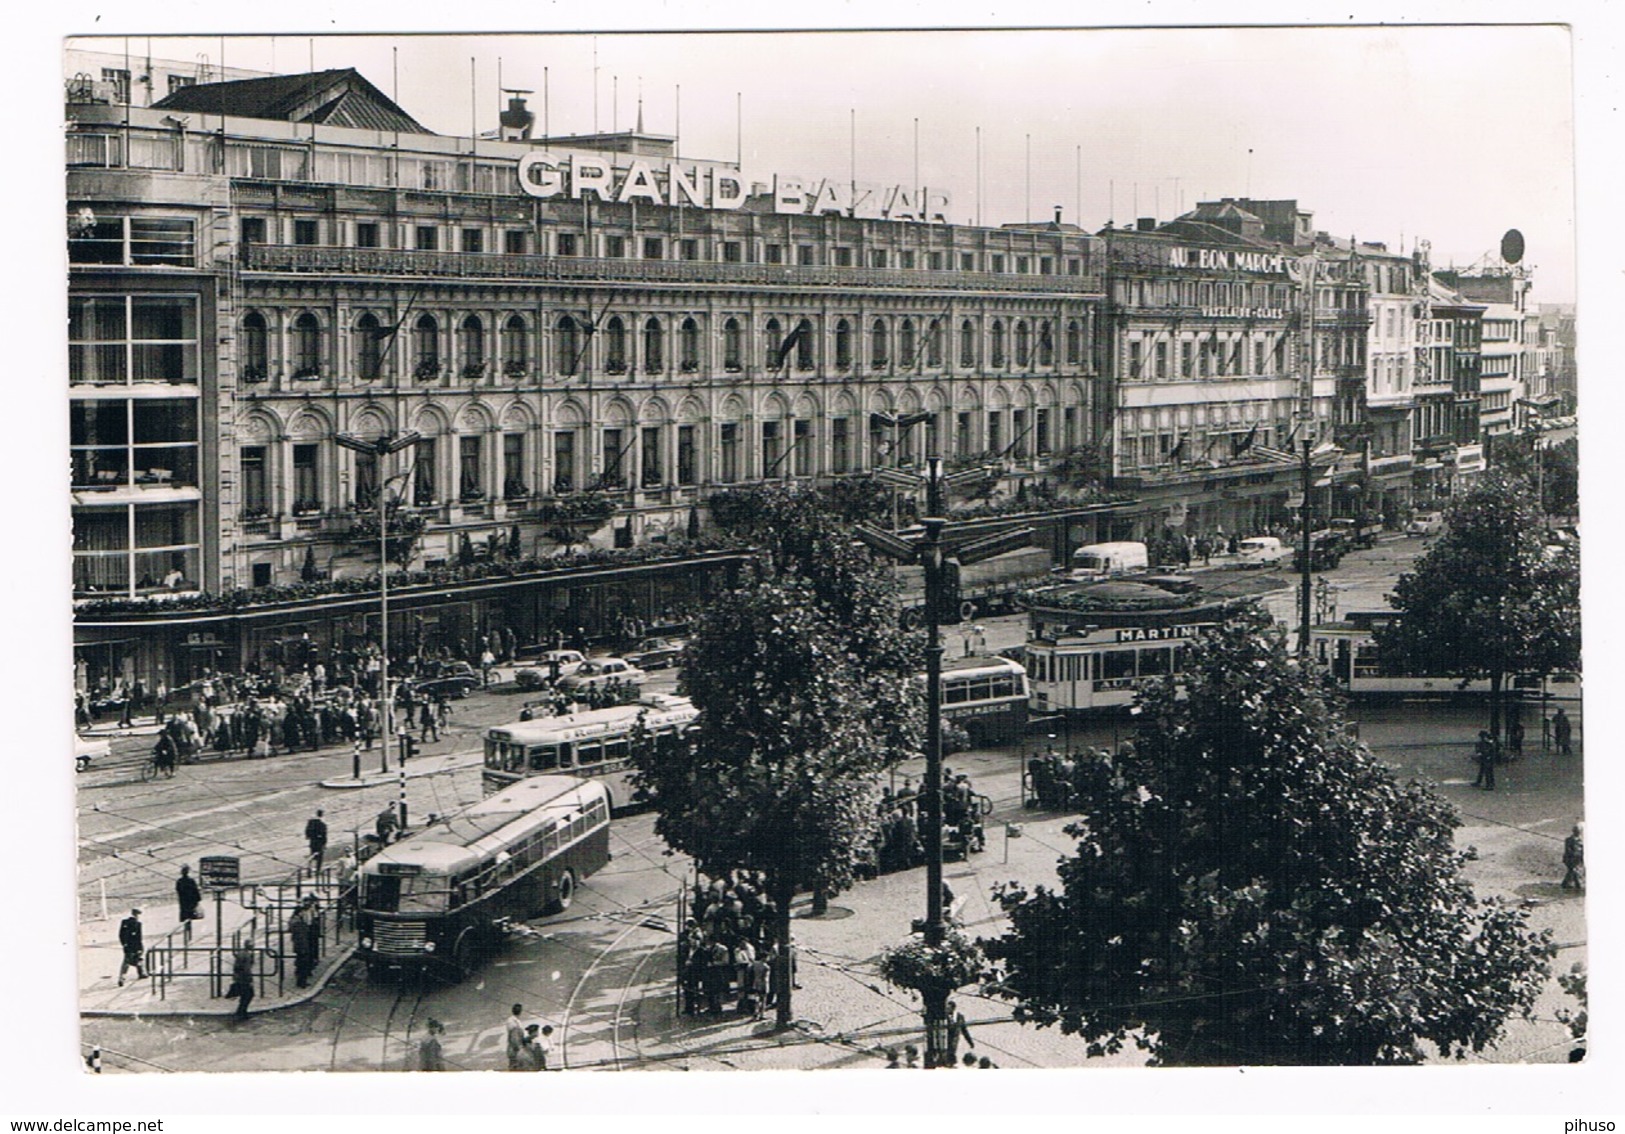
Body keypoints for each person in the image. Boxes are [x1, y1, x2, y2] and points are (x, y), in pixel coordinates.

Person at [289, 895, 320, 988]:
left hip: (305, 940)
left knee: (305, 959)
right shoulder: (298, 923)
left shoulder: (300, 921)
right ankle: (301, 980)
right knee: (303, 961)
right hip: (302, 944)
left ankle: (305, 974)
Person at [116, 908, 145, 986]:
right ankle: (141, 973)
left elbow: (120, 934)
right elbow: (139, 937)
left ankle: (122, 977)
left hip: (127, 945)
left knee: (126, 962)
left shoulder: (124, 922)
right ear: (137, 915)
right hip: (135, 945)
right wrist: (140, 947)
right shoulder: (138, 924)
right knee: (138, 959)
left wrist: (124, 944)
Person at [945, 998, 975, 1066]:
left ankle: (951, 1064)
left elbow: (964, 1030)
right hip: (945, 1039)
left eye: (948, 1008)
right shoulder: (944, 1017)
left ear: (953, 1008)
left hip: (954, 1039)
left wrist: (970, 1042)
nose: (947, 1010)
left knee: (951, 1052)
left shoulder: (960, 1017)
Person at [229, 946, 255, 1019]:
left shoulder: (241, 953)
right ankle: (241, 1012)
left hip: (239, 977)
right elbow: (247, 969)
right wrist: (250, 980)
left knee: (244, 995)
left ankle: (241, 1012)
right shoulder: (247, 956)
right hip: (244, 978)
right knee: (249, 994)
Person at [304, 809, 329, 873]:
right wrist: (325, 843)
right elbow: (324, 834)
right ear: (322, 815)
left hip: (312, 841)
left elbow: (307, 830)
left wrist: (308, 836)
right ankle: (318, 870)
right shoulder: (322, 823)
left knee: (312, 855)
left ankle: (309, 869)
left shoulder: (311, 822)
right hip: (319, 842)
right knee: (320, 857)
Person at [1562, 823, 1585, 890]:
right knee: (1573, 871)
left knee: (1571, 872)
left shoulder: (1581, 841)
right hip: (1570, 859)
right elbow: (1568, 851)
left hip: (1577, 859)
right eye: (1576, 831)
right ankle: (1578, 885)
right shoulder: (1569, 840)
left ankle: (1566, 884)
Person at [505, 1004, 527, 1070]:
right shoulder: (511, 1021)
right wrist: (519, 1048)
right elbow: (514, 1036)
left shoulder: (517, 1021)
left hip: (516, 1046)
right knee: (514, 1065)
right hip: (514, 1047)